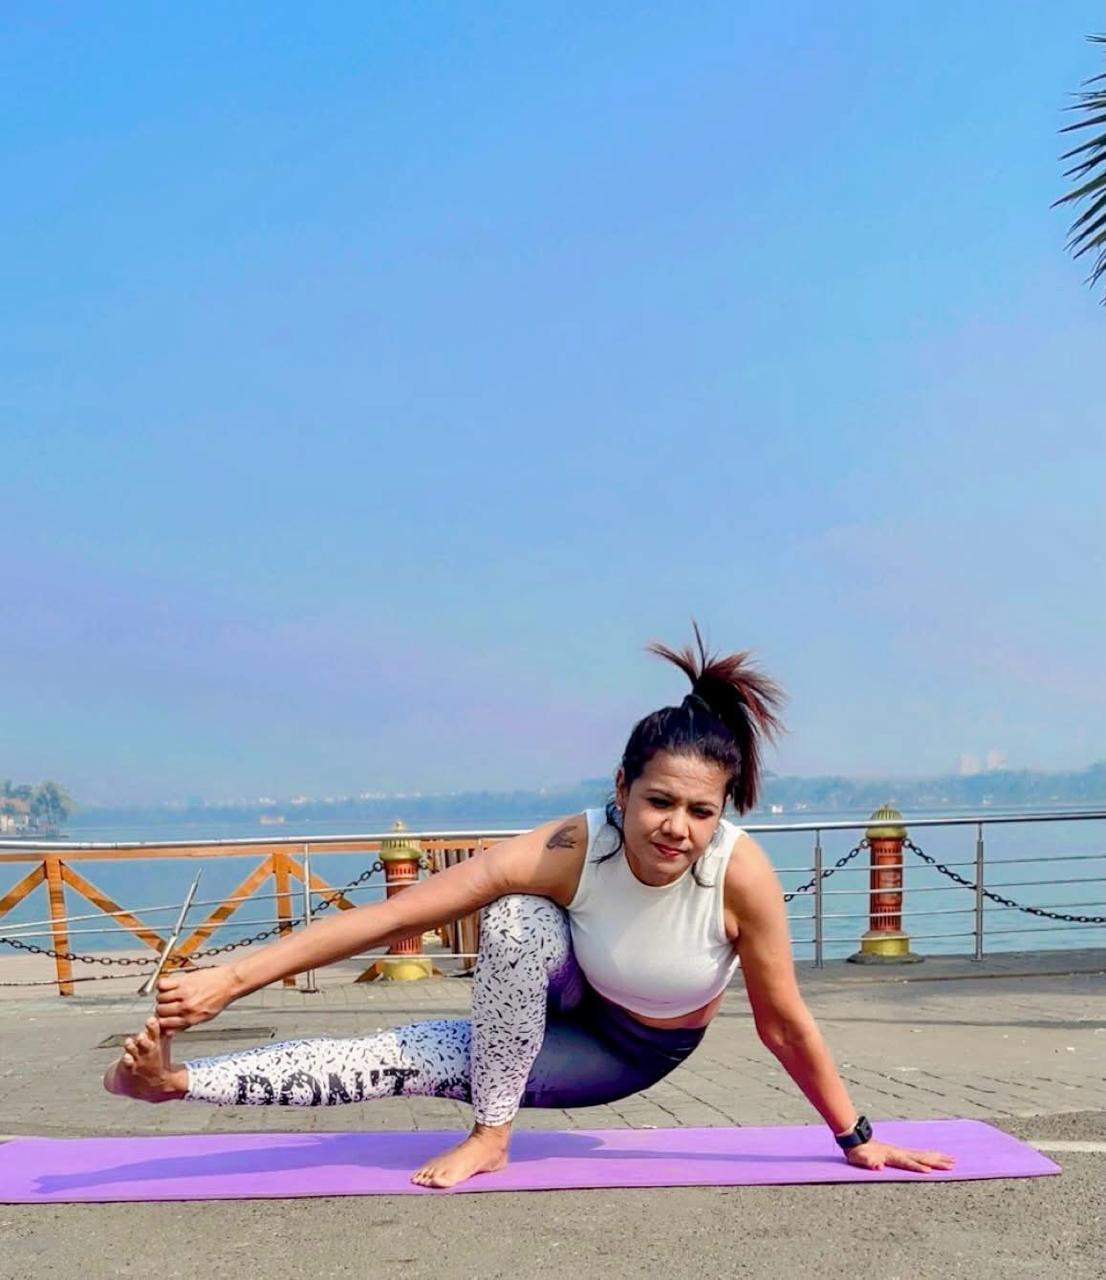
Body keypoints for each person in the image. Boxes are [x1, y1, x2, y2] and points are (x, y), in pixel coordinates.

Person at [105, 631, 955, 1187]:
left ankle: (476, 1124)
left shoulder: (740, 876)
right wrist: (233, 979)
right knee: (510, 924)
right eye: (661, 802)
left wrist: (858, 1138)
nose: (678, 829)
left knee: (409, 1054)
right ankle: (173, 1086)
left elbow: (783, 1023)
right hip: (545, 1004)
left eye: (703, 811)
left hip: (632, 1051)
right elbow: (398, 917)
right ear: (620, 789)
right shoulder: (567, 847)